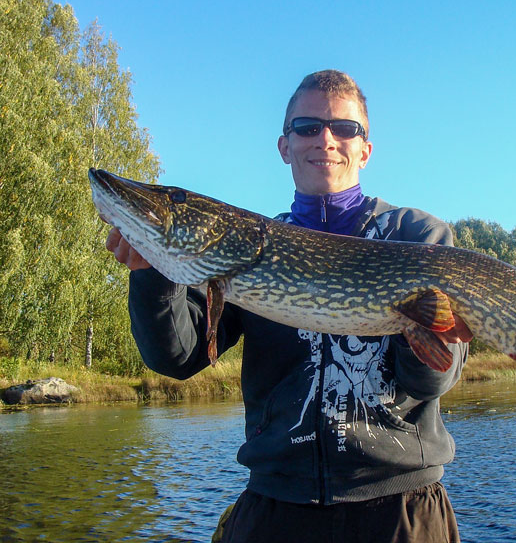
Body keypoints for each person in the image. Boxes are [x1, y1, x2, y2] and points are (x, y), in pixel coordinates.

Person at [105, 69, 467, 543]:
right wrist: (153, 272)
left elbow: (430, 380)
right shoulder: (247, 247)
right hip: (276, 509)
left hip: (400, 511)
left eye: (344, 128)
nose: (326, 139)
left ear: (365, 149)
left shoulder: (417, 236)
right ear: (285, 146)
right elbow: (176, 358)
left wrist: (429, 329)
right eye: (307, 127)